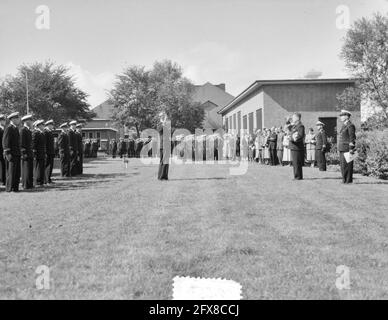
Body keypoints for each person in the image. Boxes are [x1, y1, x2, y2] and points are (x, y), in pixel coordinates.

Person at [2, 112, 21, 192]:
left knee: (16, 172)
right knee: (11, 171)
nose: (18, 120)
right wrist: (7, 153)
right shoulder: (9, 128)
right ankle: (9, 188)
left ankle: (15, 187)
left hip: (16, 153)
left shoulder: (15, 128)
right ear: (12, 119)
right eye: (17, 118)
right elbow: (5, 141)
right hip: (11, 154)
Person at [338, 110, 356, 184]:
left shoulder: (350, 125)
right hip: (342, 147)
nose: (340, 117)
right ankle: (344, 179)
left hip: (347, 148)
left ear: (346, 116)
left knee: (348, 166)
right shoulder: (344, 125)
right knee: (343, 165)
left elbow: (352, 138)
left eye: (342, 116)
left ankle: (348, 180)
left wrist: (351, 149)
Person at [289, 112, 306, 180]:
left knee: (296, 163)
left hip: (297, 147)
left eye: (293, 117)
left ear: (297, 118)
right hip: (294, 147)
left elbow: (300, 135)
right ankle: (297, 176)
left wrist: (292, 139)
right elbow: (290, 131)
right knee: (295, 163)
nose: (292, 118)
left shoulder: (300, 126)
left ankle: (298, 176)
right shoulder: (295, 126)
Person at [20, 115, 34, 190]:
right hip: (26, 153)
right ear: (26, 121)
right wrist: (23, 153)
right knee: (26, 169)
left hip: (30, 153)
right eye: (30, 120)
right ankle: (25, 184)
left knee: (29, 169)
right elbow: (22, 143)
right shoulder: (23, 130)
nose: (32, 122)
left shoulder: (28, 130)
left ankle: (29, 184)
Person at [32, 120, 47, 187]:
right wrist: (34, 153)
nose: (43, 126)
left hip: (42, 153)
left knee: (41, 167)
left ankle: (41, 181)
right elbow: (33, 144)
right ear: (38, 126)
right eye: (42, 125)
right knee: (38, 168)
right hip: (38, 154)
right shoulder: (35, 133)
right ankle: (38, 181)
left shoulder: (41, 133)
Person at [158, 111, 170, 180]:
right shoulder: (160, 124)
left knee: (166, 161)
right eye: (163, 116)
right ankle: (161, 176)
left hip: (167, 145)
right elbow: (161, 130)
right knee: (163, 161)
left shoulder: (166, 124)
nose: (165, 117)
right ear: (161, 117)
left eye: (165, 115)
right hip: (163, 145)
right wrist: (164, 122)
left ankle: (165, 176)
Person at [44, 120, 55, 184]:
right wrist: (45, 152)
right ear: (48, 125)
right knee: (47, 166)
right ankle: (46, 179)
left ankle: (49, 178)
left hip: (51, 152)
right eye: (51, 125)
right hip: (47, 152)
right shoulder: (46, 132)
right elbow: (45, 143)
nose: (52, 126)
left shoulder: (50, 132)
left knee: (50, 166)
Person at [0, 114, 6, 187]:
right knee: (1, 165)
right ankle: (2, 180)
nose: (4, 121)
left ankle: (4, 179)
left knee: (4, 165)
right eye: (3, 120)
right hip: (0, 150)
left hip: (4, 150)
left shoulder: (4, 129)